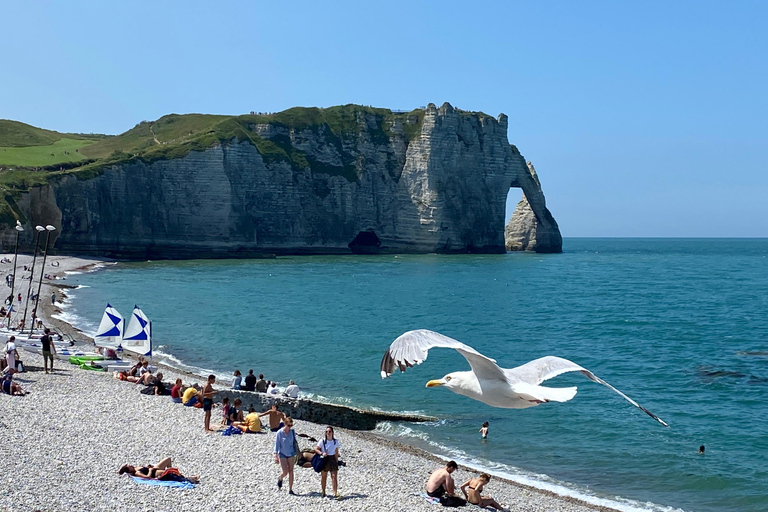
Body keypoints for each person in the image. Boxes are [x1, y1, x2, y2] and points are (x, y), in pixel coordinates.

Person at [118, 458, 199, 484]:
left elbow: (147, 469)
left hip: (155, 469)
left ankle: (184, 476)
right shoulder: (137, 472)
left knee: (168, 459)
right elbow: (148, 477)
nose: (131, 465)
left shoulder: (136, 468)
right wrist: (150, 470)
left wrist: (149, 467)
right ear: (129, 470)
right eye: (129, 466)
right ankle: (188, 478)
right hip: (155, 473)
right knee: (170, 472)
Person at [274, 416, 298, 494]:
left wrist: (298, 452)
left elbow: (295, 443)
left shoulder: (292, 432)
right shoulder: (279, 433)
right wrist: (276, 455)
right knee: (285, 471)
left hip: (291, 453)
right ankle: (280, 478)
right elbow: (277, 445)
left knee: (291, 471)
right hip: (282, 453)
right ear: (285, 424)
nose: (290, 427)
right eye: (289, 425)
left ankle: (290, 489)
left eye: (291, 425)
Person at [316, 426, 341, 498]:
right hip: (325, 459)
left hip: (332, 459)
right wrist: (321, 453)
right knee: (324, 476)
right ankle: (323, 491)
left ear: (332, 433)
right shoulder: (322, 441)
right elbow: (316, 449)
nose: (328, 433)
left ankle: (335, 492)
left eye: (329, 431)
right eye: (327, 432)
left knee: (334, 476)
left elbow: (336, 451)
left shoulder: (335, 441)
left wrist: (336, 461)